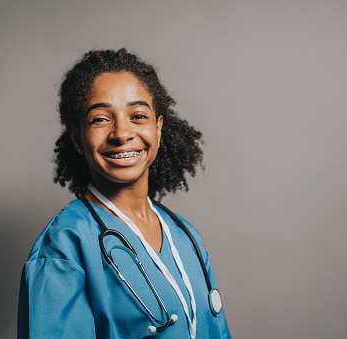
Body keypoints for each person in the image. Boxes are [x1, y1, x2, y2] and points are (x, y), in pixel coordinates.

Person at [18, 48, 231, 338]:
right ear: (77, 137)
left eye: (138, 115)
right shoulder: (64, 246)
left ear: (158, 128)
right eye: (101, 119)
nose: (121, 133)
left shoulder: (186, 236)